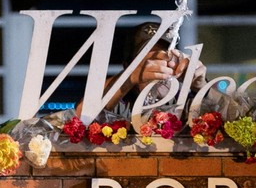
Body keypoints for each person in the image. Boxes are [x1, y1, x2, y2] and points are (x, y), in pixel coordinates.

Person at [74, 22, 202, 121]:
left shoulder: (187, 99)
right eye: (149, 61)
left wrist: (201, 86)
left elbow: (220, 114)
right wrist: (129, 77)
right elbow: (81, 116)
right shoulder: (119, 104)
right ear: (128, 66)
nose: (160, 67)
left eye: (166, 58)